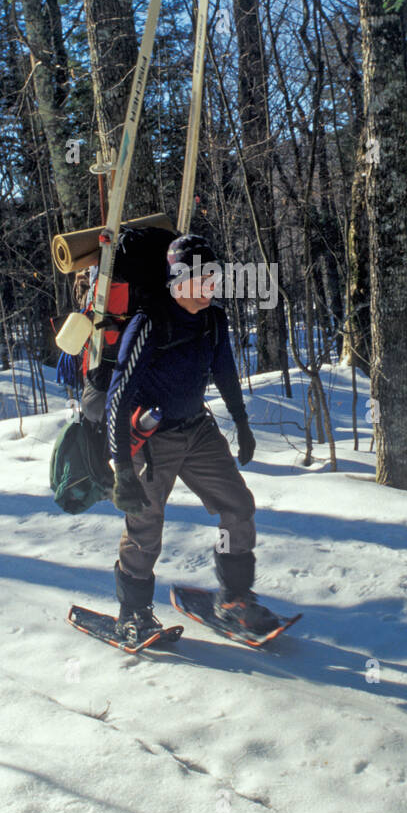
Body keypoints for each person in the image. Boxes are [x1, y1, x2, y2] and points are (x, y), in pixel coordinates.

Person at [105, 233, 277, 645]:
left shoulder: (212, 320)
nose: (211, 287)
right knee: (145, 528)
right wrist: (122, 467)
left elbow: (225, 373)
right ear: (178, 281)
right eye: (203, 279)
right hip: (151, 438)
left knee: (237, 508)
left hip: (197, 430)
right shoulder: (149, 323)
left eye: (214, 278)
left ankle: (234, 596)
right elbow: (118, 395)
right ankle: (133, 613)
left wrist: (242, 422)